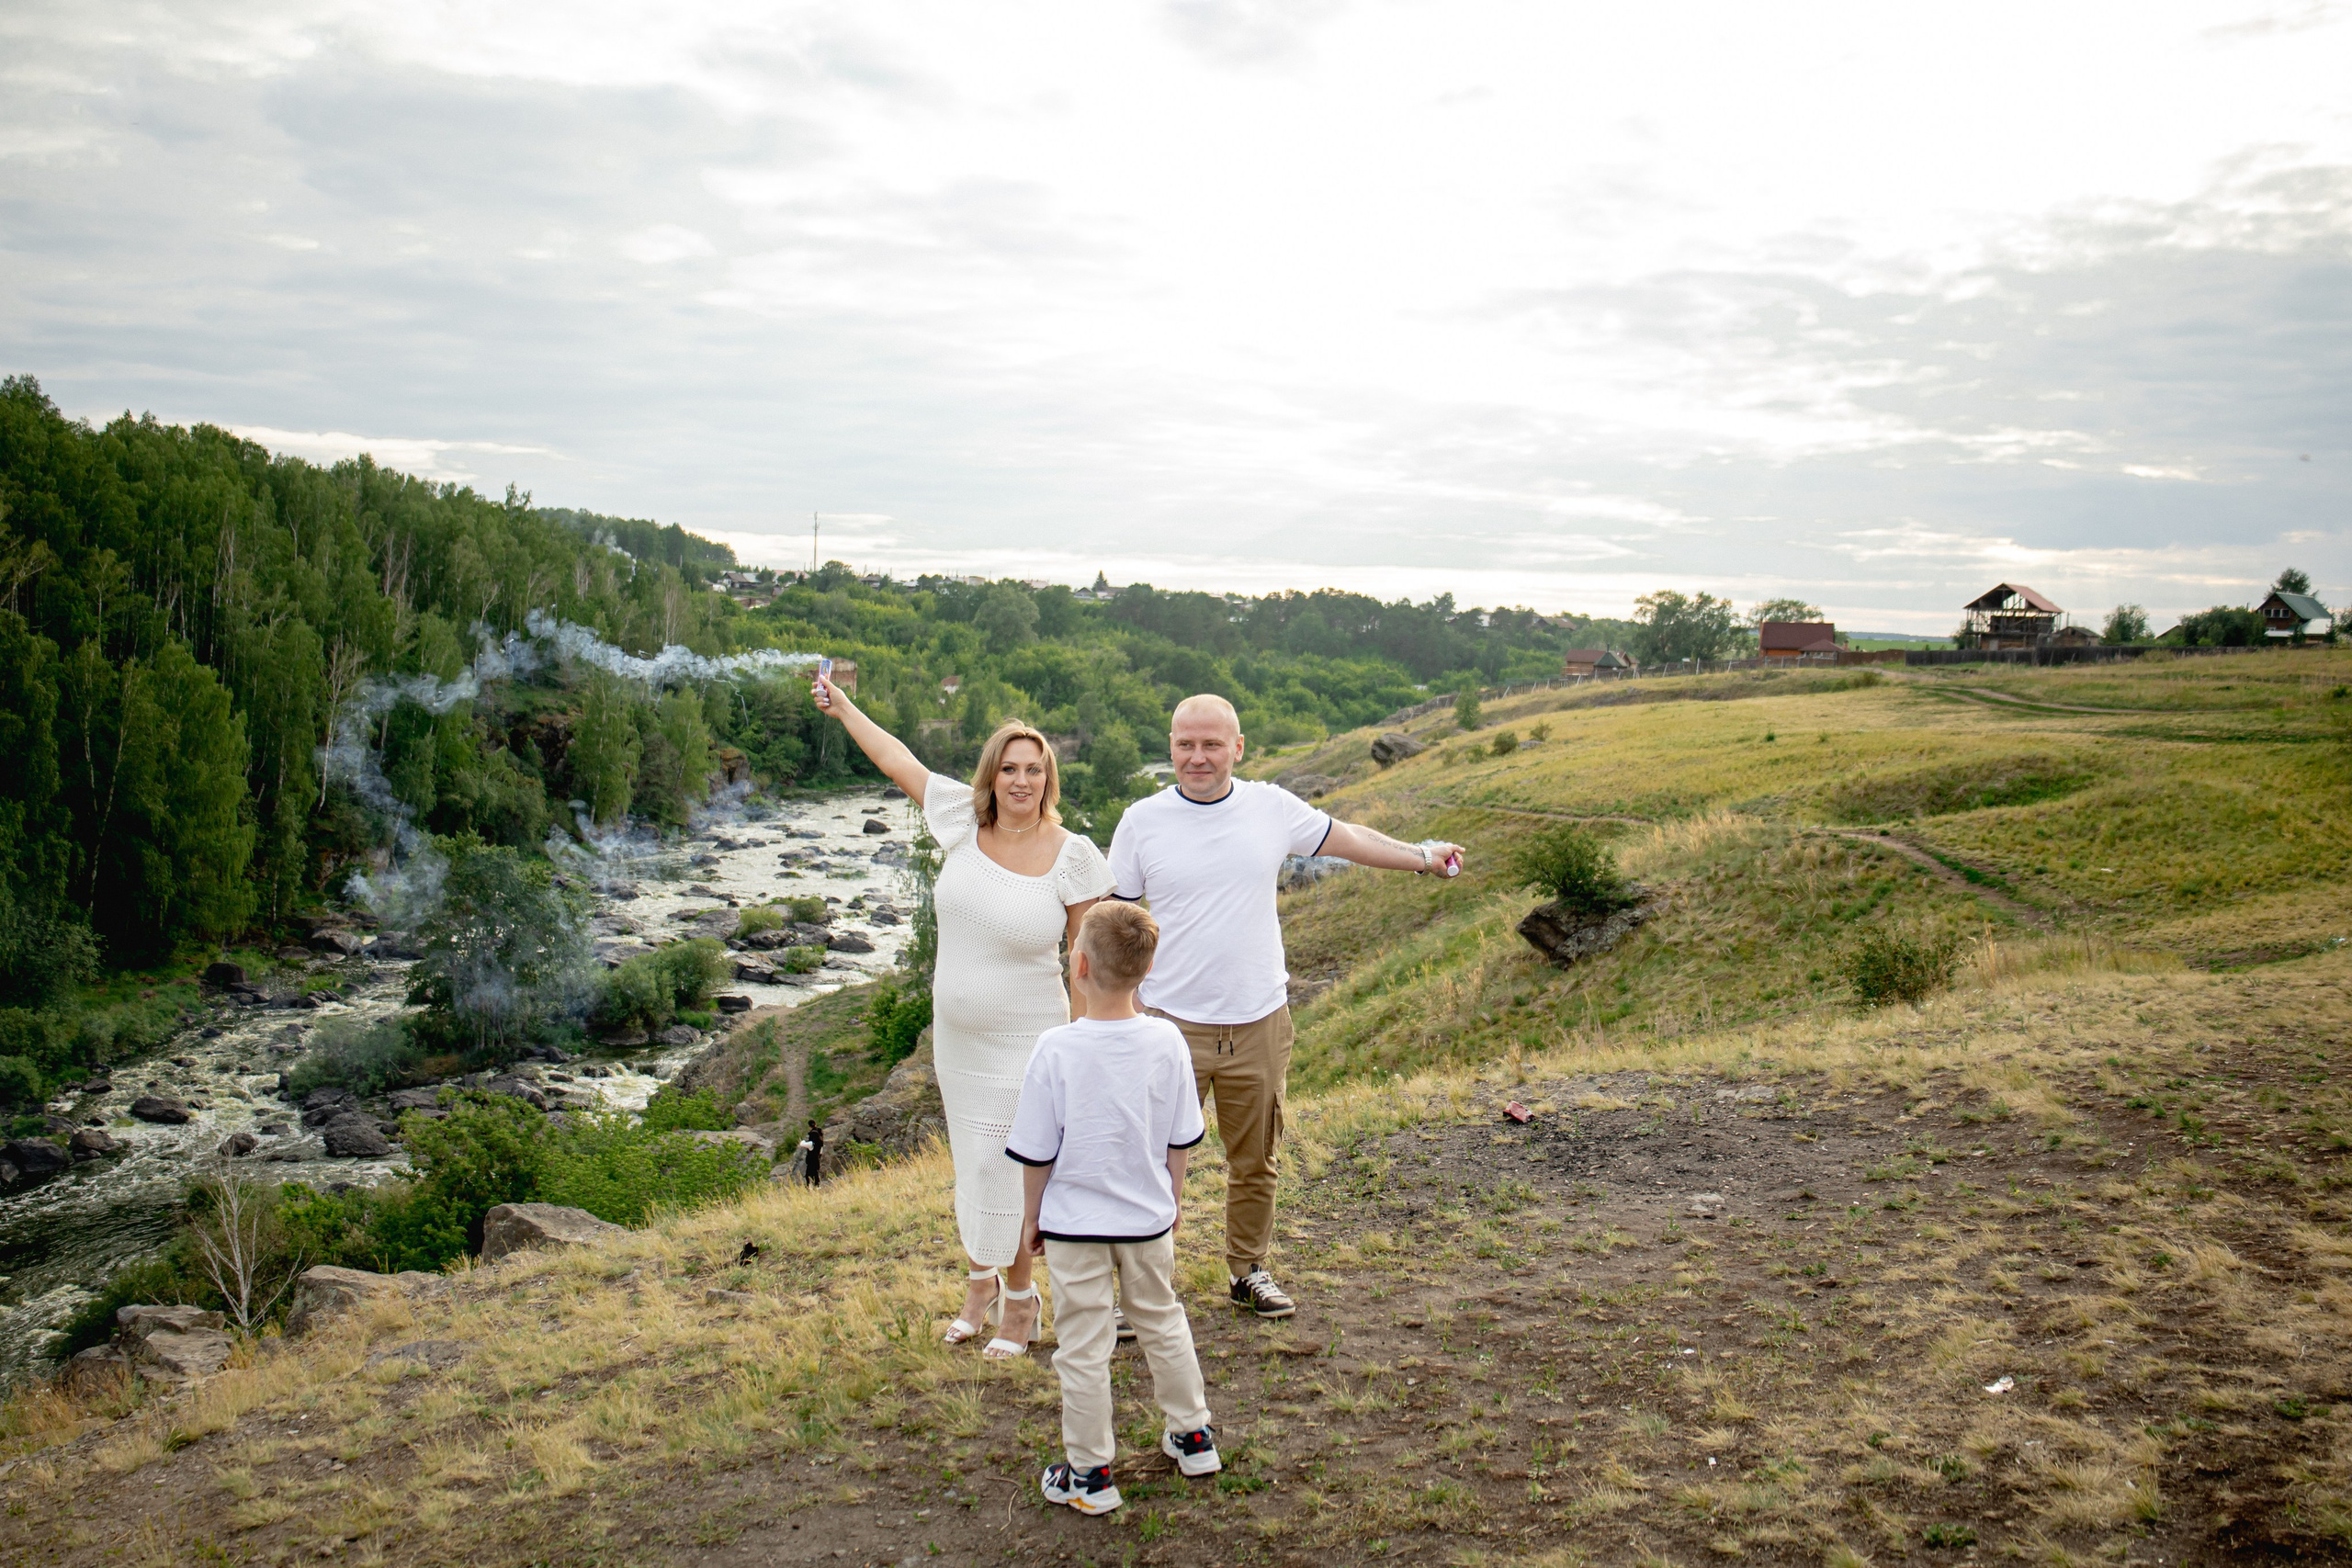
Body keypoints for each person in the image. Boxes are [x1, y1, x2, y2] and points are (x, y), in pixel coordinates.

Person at [1109, 693, 1464, 1319]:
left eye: (1211, 744)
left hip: (1258, 1021)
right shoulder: (1141, 821)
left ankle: (1247, 1270)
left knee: (1256, 1158)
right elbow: (1118, 917)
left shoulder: (1270, 806)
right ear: (1170, 746)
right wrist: (1115, 1006)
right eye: (1185, 743)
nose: (1197, 756)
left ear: (1237, 748)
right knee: (1148, 1162)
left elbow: (1346, 838)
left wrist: (1421, 857)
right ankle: (1140, 1292)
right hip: (1167, 1026)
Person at [815, 670, 1114, 1358]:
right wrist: (845, 708)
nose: (1021, 780)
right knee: (973, 1164)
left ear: (1048, 778)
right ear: (992, 775)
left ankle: (1020, 1303)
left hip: (1029, 1044)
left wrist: (1080, 1049)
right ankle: (979, 1284)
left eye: (1034, 769)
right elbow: (898, 760)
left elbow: (1086, 964)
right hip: (959, 1043)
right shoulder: (960, 822)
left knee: (1008, 1169)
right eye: (1009, 767)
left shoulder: (1073, 857)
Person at [1009, 901, 1218, 1517]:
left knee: (1083, 1344)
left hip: (1074, 1225)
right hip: (1147, 1217)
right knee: (1162, 1317)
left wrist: (1032, 1215)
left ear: (1077, 965)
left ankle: (1091, 1472)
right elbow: (1182, 1136)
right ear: (1147, 969)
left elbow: (1038, 1150)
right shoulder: (1167, 1040)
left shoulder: (1055, 1049)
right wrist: (1172, 1199)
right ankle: (1193, 1434)